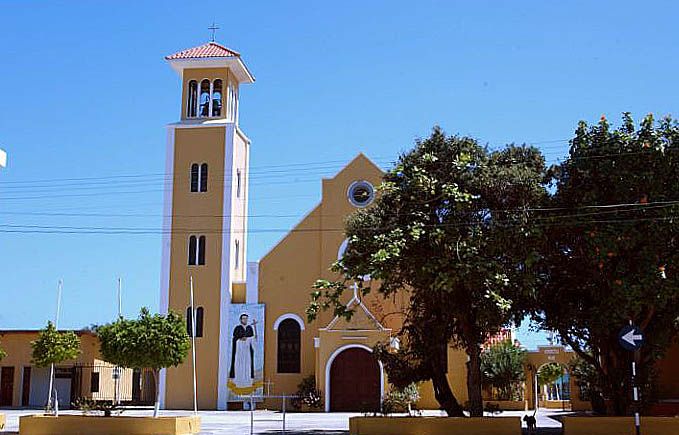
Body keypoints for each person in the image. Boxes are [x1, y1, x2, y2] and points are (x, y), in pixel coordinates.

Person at [229, 313, 258, 389]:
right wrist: (240, 339)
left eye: (246, 318)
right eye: (243, 318)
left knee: (247, 365)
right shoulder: (237, 328)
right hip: (239, 351)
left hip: (247, 351)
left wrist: (253, 338)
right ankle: (238, 381)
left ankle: (248, 382)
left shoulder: (249, 328)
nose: (245, 320)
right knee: (239, 365)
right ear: (240, 319)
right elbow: (235, 338)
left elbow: (252, 339)